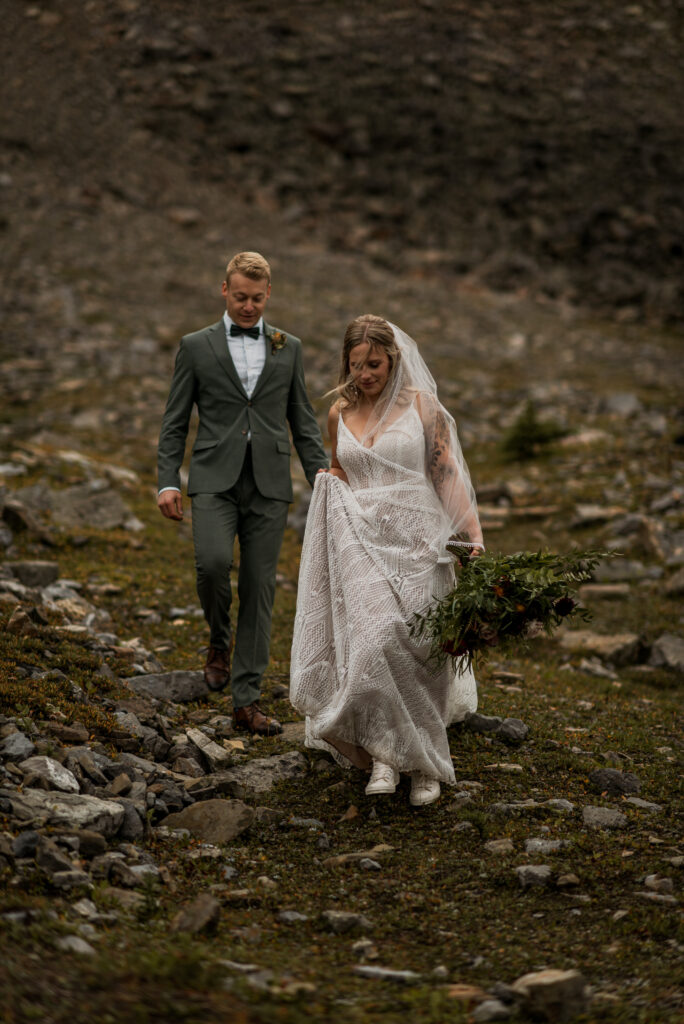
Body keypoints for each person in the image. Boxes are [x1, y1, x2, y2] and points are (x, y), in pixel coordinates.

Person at [290, 315, 484, 805]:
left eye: (373, 364)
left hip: (419, 537)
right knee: (374, 642)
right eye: (355, 365)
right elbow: (340, 467)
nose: (364, 374)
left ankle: (423, 766)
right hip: (361, 538)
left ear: (393, 359)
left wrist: (470, 536)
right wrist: (328, 481)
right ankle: (382, 752)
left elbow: (445, 473)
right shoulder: (339, 413)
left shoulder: (423, 406)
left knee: (421, 642)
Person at [157, 251, 328, 735]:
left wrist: (323, 481)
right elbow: (174, 423)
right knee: (212, 565)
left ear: (268, 294)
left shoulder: (287, 347)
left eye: (256, 298)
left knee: (260, 586)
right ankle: (218, 639)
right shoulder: (195, 346)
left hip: (270, 484)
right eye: (239, 297)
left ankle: (246, 701)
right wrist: (168, 479)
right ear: (224, 291)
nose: (248, 307)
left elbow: (303, 421)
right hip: (213, 477)